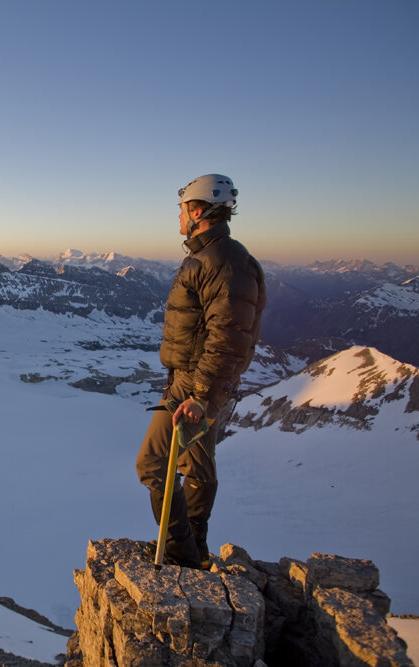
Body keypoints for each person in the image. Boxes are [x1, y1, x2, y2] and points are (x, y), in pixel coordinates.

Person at [135, 173, 266, 569]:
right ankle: (196, 545)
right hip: (198, 382)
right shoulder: (219, 257)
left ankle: (179, 552)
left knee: (154, 464)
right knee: (197, 461)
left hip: (193, 384)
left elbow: (228, 335)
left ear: (197, 210)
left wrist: (199, 395)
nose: (177, 217)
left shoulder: (221, 262)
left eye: (181, 209)